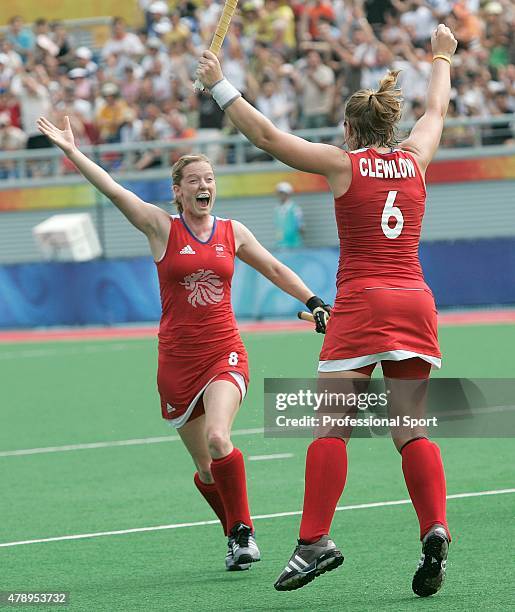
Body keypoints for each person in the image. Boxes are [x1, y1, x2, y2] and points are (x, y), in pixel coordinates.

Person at [197, 23, 458, 596]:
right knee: (411, 429)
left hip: (363, 303)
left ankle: (314, 539)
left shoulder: (342, 165)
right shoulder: (416, 158)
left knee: (330, 430)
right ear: (392, 125)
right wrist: (441, 54)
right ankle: (434, 525)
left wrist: (219, 85)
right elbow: (437, 108)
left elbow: (266, 135)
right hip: (415, 300)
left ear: (349, 128)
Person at [36, 115, 331, 572]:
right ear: (178, 191)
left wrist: (314, 301)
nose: (203, 185)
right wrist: (74, 152)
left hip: (224, 351)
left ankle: (244, 531)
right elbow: (114, 191)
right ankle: (232, 534)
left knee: (219, 437)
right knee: (208, 469)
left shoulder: (233, 232)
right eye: (193, 180)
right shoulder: (160, 227)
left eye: (209, 178)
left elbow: (273, 269)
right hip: (176, 361)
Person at [274, 181, 304, 249]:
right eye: (279, 193)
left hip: (294, 245)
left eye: (283, 193)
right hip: (280, 245)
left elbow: (300, 227)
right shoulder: (276, 209)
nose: (281, 195)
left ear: (289, 194)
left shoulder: (295, 209)